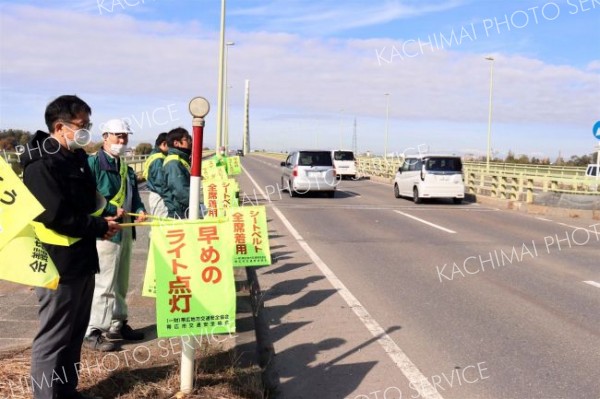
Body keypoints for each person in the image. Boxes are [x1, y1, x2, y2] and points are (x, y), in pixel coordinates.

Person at [20, 95, 120, 399]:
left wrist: (108, 214)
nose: (86, 129)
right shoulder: (40, 164)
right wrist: (99, 227)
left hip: (82, 259)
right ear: (60, 126)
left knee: (75, 333)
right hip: (57, 264)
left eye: (88, 123)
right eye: (82, 124)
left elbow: (85, 202)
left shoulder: (74, 158)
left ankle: (66, 390)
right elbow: (56, 215)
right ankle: (46, 395)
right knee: (53, 337)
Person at [84, 118, 147, 352]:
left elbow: (135, 196)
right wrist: (110, 210)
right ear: (105, 137)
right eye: (118, 136)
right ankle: (94, 330)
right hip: (106, 232)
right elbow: (85, 197)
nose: (122, 140)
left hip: (126, 230)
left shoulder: (126, 168)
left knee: (121, 282)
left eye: (125, 136)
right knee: (104, 283)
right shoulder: (93, 164)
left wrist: (139, 210)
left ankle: (118, 324)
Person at [162, 127, 193, 218]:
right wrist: (198, 203)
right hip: (179, 212)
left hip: (183, 209)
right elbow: (181, 191)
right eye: (186, 139)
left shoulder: (180, 159)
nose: (190, 142)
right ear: (176, 143)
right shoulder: (174, 163)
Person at [142, 132, 168, 217]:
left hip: (156, 196)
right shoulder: (159, 160)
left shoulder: (154, 155)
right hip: (160, 199)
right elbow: (161, 184)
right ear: (164, 144)